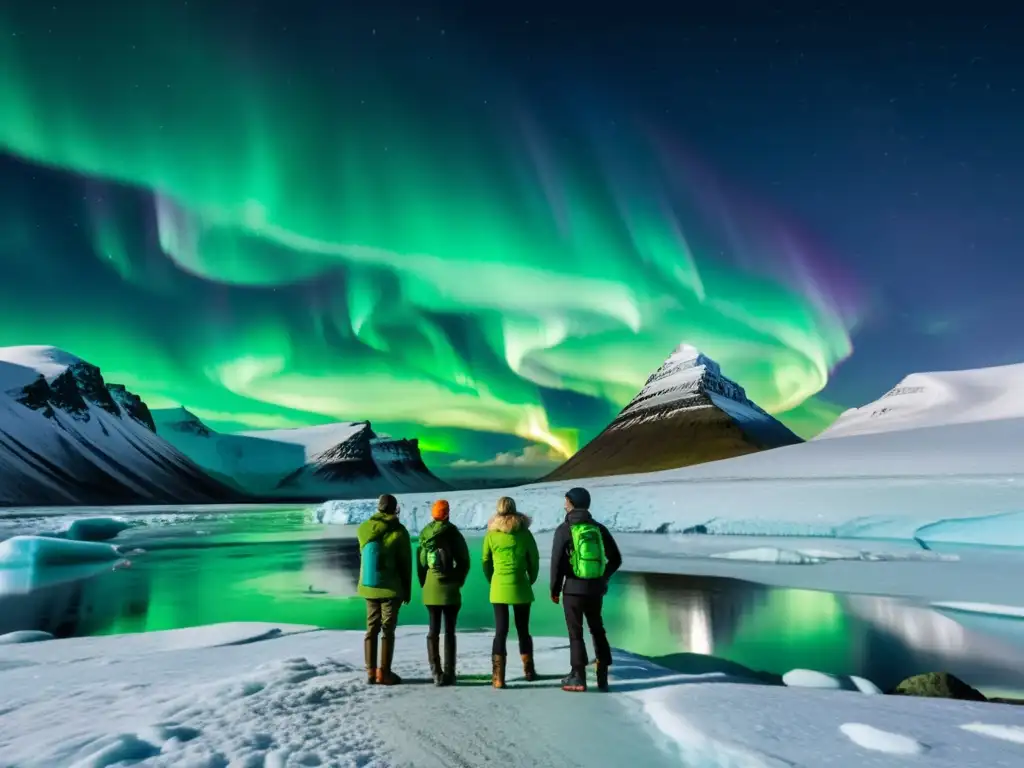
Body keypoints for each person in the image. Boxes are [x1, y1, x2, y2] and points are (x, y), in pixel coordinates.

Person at [550, 486, 622, 693]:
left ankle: (578, 677)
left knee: (576, 633)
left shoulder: (564, 529)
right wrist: (602, 577)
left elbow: (556, 563)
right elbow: (615, 559)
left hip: (572, 589)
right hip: (595, 589)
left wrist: (554, 589)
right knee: (597, 628)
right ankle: (602, 674)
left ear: (572, 503)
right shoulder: (598, 528)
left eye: (566, 501)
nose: (564, 504)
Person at [482, 496, 540, 689]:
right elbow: (534, 560)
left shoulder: (491, 535)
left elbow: (485, 561)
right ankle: (529, 670)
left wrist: (493, 579)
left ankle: (498, 677)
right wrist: (529, 579)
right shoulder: (524, 533)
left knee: (501, 631)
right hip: (521, 585)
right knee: (523, 630)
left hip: (499, 586)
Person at [357, 493, 412, 686]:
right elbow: (405, 564)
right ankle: (384, 673)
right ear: (395, 509)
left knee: (371, 629)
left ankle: (371, 673)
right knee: (387, 630)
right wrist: (407, 590)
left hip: (369, 587)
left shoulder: (364, 529)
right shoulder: (399, 532)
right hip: (390, 589)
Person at [417, 499, 470, 686]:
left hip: (431, 590)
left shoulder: (425, 534)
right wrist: (457, 581)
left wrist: (425, 583)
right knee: (449, 631)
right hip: (449, 591)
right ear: (447, 513)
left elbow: (422, 563)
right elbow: (464, 560)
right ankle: (450, 673)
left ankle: (436, 673)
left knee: (433, 630)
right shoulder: (452, 533)